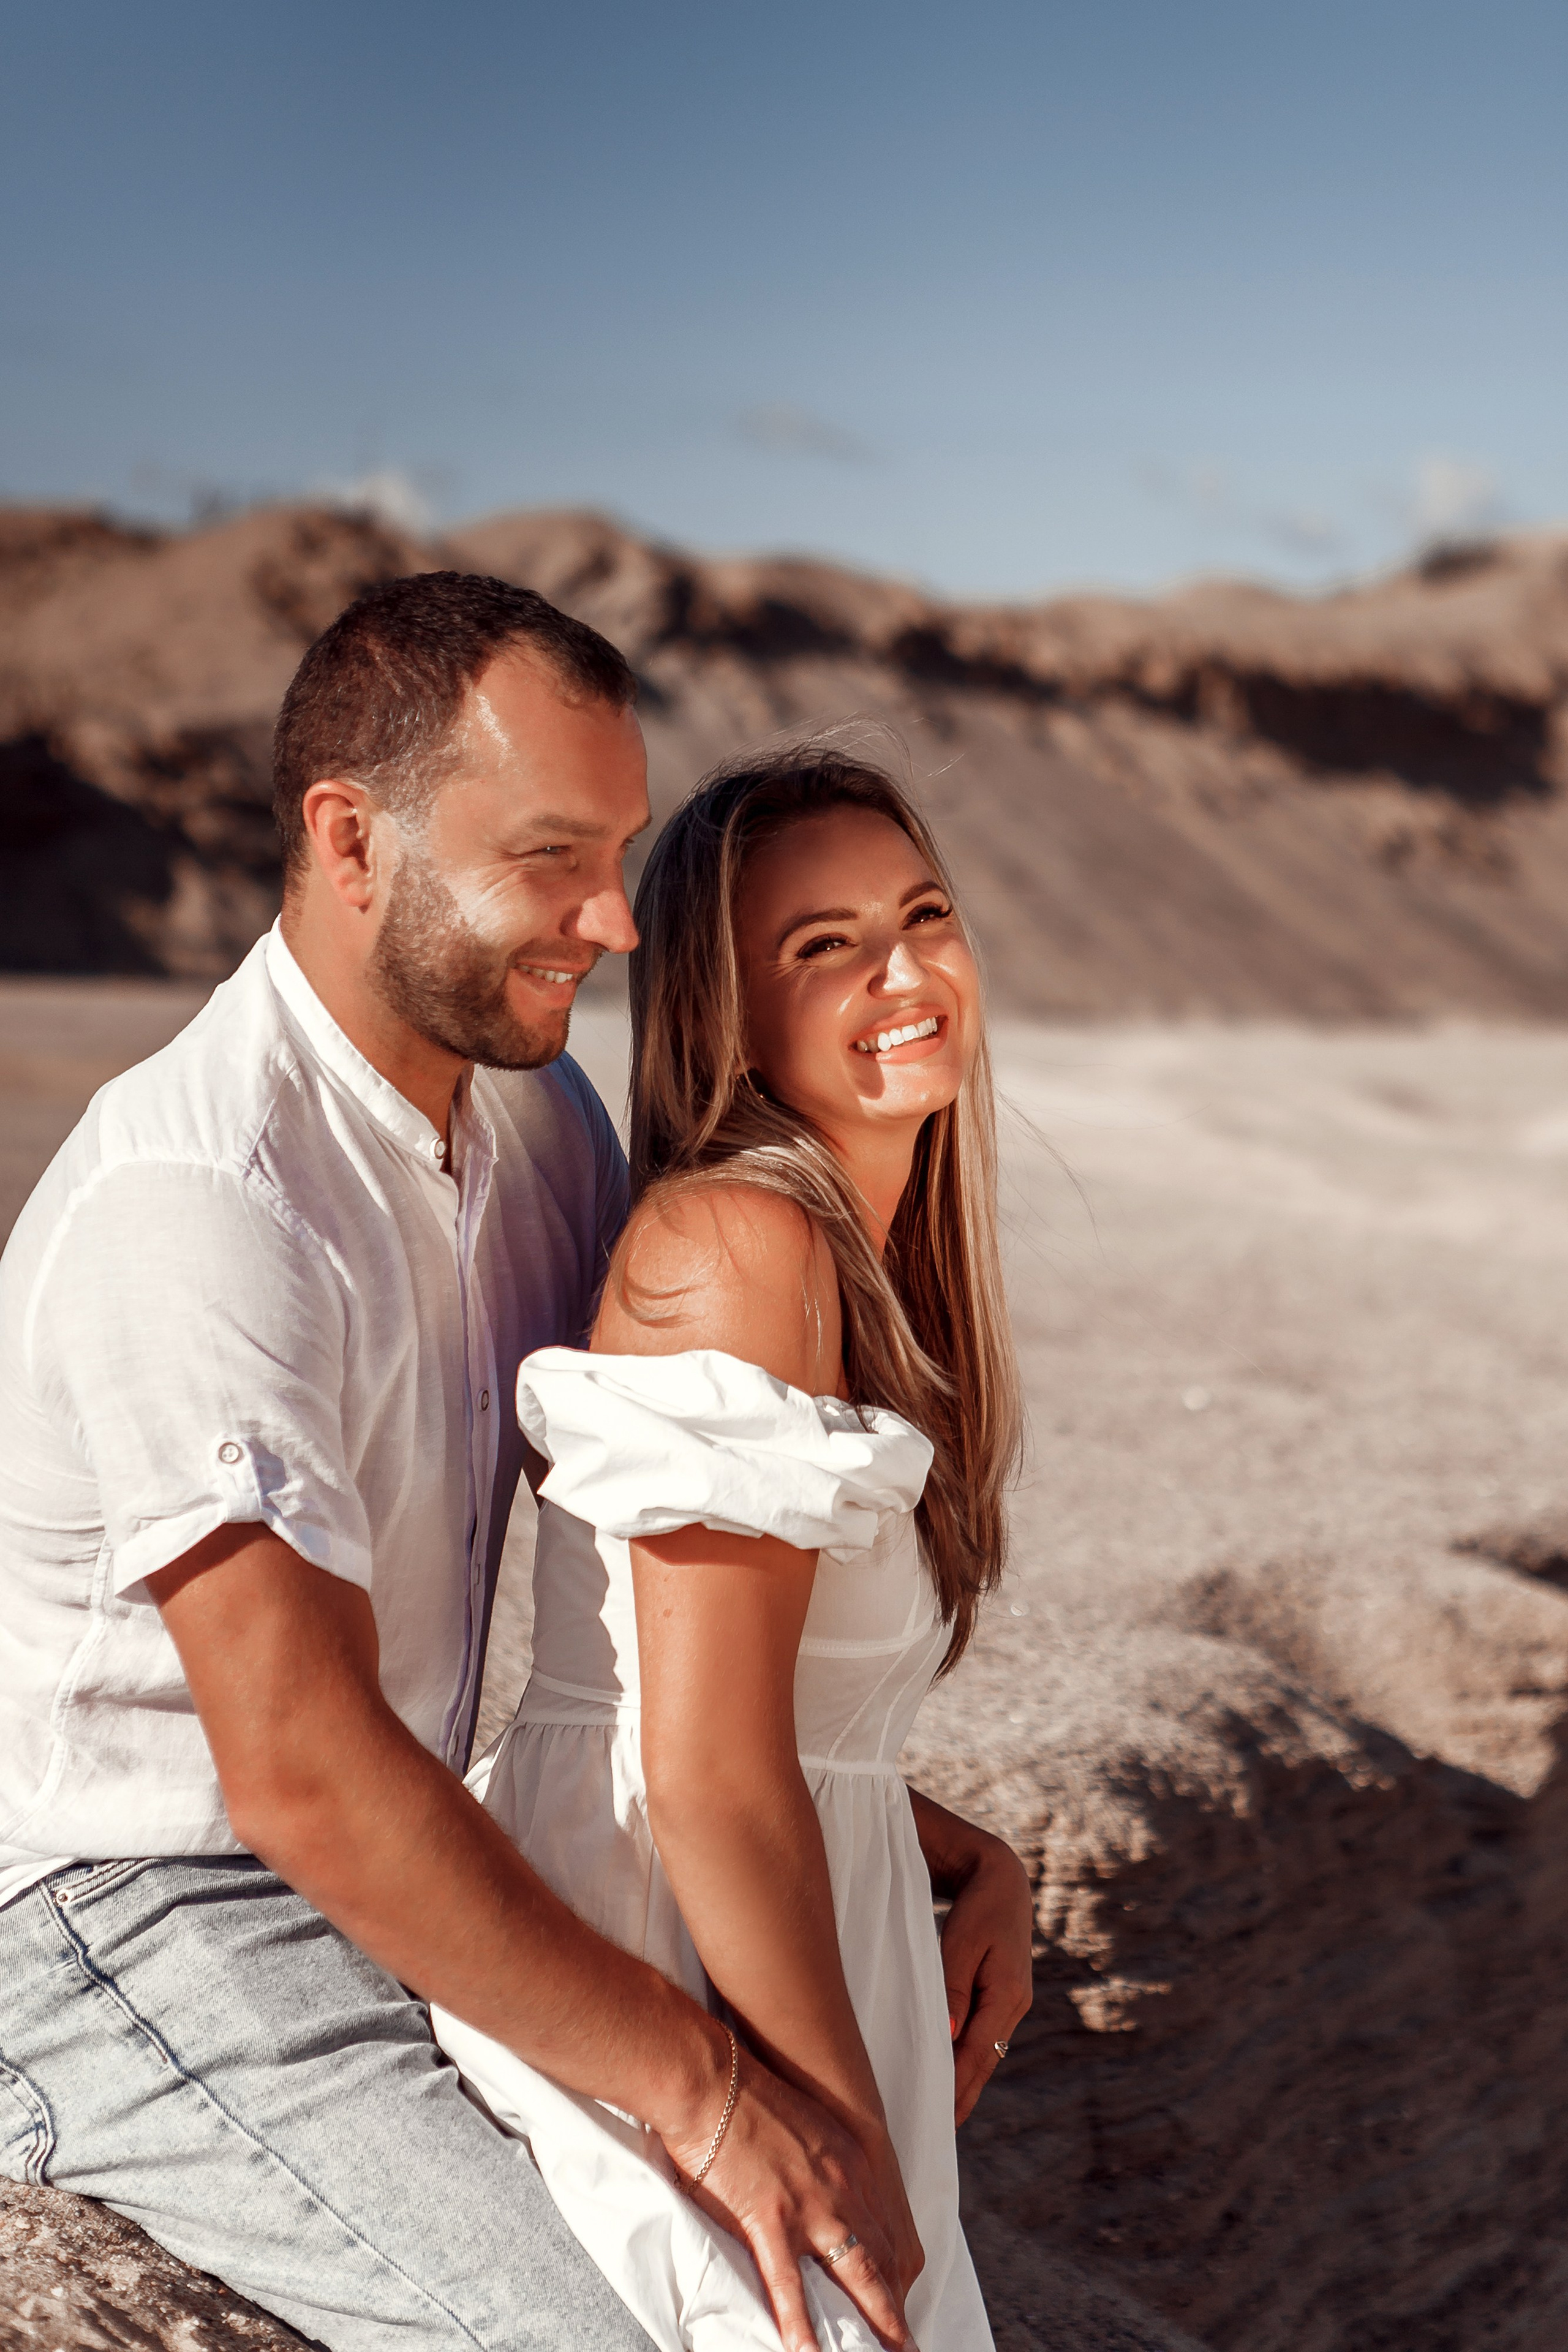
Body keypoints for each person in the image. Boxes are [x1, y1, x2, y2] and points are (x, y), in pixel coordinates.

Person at [0, 575, 918, 2352]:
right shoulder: (204, 1200)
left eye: (623, 853)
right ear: (351, 842)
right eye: (550, 858)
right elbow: (300, 1774)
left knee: (759, 2292)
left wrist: (942, 1840)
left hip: (395, 1852)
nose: (616, 923)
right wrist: (709, 2092)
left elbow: (665, 1570)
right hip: (116, 1915)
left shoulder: (533, 1117)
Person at [432, 747, 1035, 2350]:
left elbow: (767, 1703)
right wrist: (849, 2147)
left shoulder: (870, 1266)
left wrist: (973, 1857)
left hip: (794, 1938)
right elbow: (697, 1767)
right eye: (821, 945)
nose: (903, 971)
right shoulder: (735, 1245)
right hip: (667, 1952)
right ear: (727, 1011)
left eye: (921, 915)